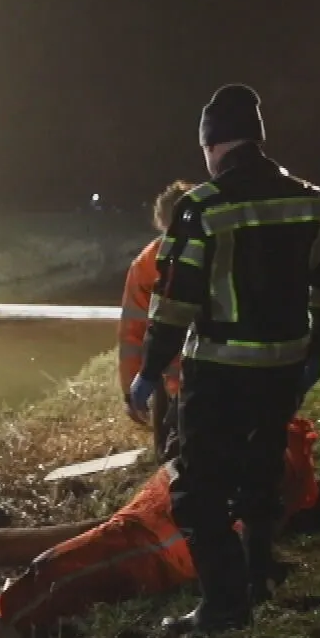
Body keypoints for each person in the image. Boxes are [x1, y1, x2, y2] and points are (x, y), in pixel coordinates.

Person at [128, 84, 320, 633]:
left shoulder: (203, 207)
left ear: (212, 146)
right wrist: (316, 348)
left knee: (197, 489)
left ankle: (225, 603)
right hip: (283, 365)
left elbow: (175, 300)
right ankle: (258, 572)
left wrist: (149, 368)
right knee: (261, 471)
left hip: (218, 370)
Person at [0, 417, 319, 638]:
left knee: (56, 572)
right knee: (62, 568)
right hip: (165, 513)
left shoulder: (248, 458)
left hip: (161, 531)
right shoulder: (272, 445)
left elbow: (55, 572)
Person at [118, 181, 193, 458]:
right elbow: (134, 333)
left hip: (177, 375)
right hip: (184, 374)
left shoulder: (148, 262)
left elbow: (132, 333)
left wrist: (132, 389)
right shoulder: (148, 264)